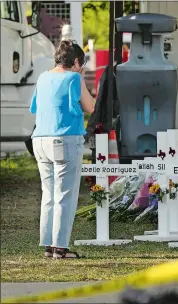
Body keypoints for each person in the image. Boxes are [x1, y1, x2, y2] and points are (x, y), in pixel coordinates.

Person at [30, 40, 95, 259]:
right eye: (81, 63)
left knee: (48, 194)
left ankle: (48, 245)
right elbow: (90, 107)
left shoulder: (43, 77)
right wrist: (82, 78)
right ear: (76, 61)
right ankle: (60, 247)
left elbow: (35, 108)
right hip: (65, 139)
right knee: (65, 195)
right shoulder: (74, 77)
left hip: (40, 140)